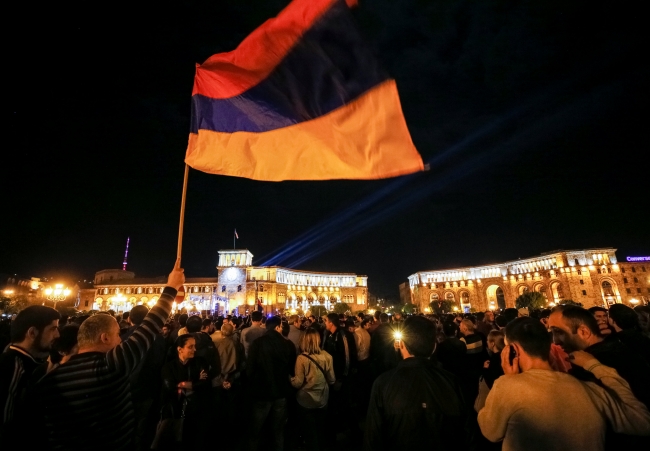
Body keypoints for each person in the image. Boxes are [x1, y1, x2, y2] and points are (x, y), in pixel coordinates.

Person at [34, 259, 184, 451]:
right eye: (117, 335)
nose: (121, 340)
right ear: (104, 338)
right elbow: (149, 327)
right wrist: (171, 287)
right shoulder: (110, 366)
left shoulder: (48, 380)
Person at [477, 317, 650, 451]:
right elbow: (643, 422)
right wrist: (596, 366)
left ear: (512, 349)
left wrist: (508, 380)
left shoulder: (507, 387)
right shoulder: (590, 389)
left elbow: (489, 431)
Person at [364, 316, 476, 451]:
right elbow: (469, 436)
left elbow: (373, 438)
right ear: (434, 346)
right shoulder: (453, 383)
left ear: (402, 344)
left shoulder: (383, 384)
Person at [548, 305, 650, 408]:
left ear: (584, 332)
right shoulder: (619, 349)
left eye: (559, 332)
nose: (555, 341)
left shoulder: (589, 367)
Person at [0, 305, 60, 436]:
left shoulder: (34, 362)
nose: (57, 335)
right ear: (32, 332)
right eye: (53, 329)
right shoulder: (13, 366)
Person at [246, 316, 296, 451]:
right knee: (278, 430)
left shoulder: (257, 343)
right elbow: (292, 370)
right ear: (278, 327)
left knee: (255, 429)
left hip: (262, 391)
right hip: (281, 391)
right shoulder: (288, 344)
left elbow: (249, 369)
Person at [157, 334, 211, 450]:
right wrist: (195, 382)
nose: (194, 350)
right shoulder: (169, 367)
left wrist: (183, 384)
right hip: (176, 410)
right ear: (180, 349)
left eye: (195, 346)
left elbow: (205, 383)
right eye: (190, 347)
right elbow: (170, 386)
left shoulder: (200, 362)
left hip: (197, 410)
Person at [290, 328, 335, 451]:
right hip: (322, 398)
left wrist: (290, 379)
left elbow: (298, 382)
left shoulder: (302, 358)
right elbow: (332, 380)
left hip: (306, 400)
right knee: (320, 430)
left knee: (310, 433)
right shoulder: (327, 356)